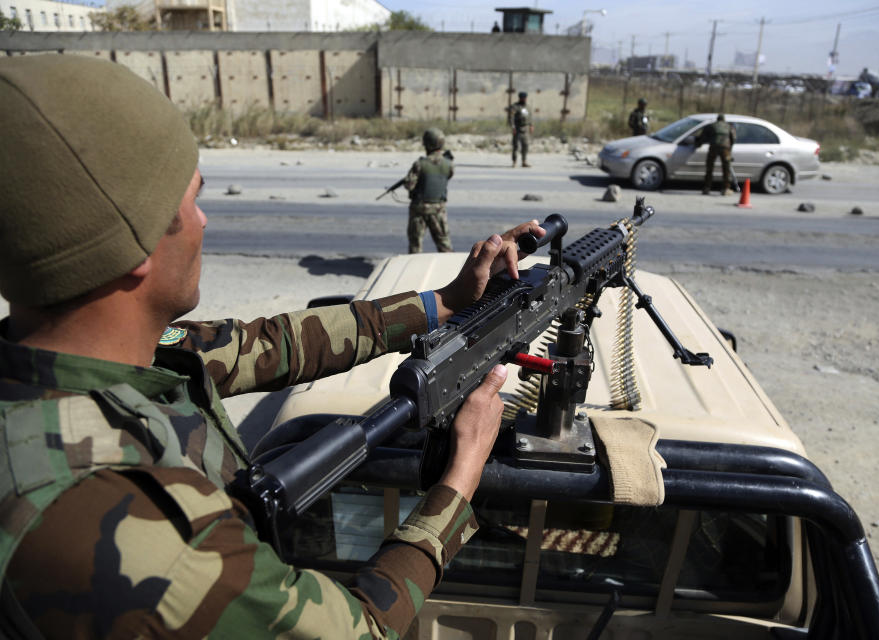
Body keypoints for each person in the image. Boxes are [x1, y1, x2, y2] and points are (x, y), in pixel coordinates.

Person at [0, 54, 544, 639]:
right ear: (134, 251)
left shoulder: (93, 355)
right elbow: (359, 632)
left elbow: (270, 344)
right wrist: (461, 478)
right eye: (191, 201)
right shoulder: (136, 532)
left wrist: (446, 302)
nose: (205, 221)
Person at [404, 128, 454, 254]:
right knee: (444, 243)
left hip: (419, 209)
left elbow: (409, 185)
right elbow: (447, 176)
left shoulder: (420, 164)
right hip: (438, 209)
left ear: (427, 144)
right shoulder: (449, 164)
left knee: (415, 244)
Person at [696, 113, 737, 195]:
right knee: (726, 169)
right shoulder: (729, 126)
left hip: (713, 147)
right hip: (725, 148)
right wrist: (730, 148)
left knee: (709, 168)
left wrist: (698, 144)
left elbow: (703, 136)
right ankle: (725, 189)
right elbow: (734, 138)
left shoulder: (712, 126)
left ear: (717, 119)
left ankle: (707, 188)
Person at [508, 90, 533, 168]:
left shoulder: (524, 107)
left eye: (525, 98)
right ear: (520, 98)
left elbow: (527, 117)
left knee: (525, 145)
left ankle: (524, 162)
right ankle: (514, 162)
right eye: (523, 98)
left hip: (524, 129)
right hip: (517, 129)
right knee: (516, 146)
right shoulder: (515, 107)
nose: (524, 99)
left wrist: (531, 125)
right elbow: (511, 118)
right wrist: (513, 127)